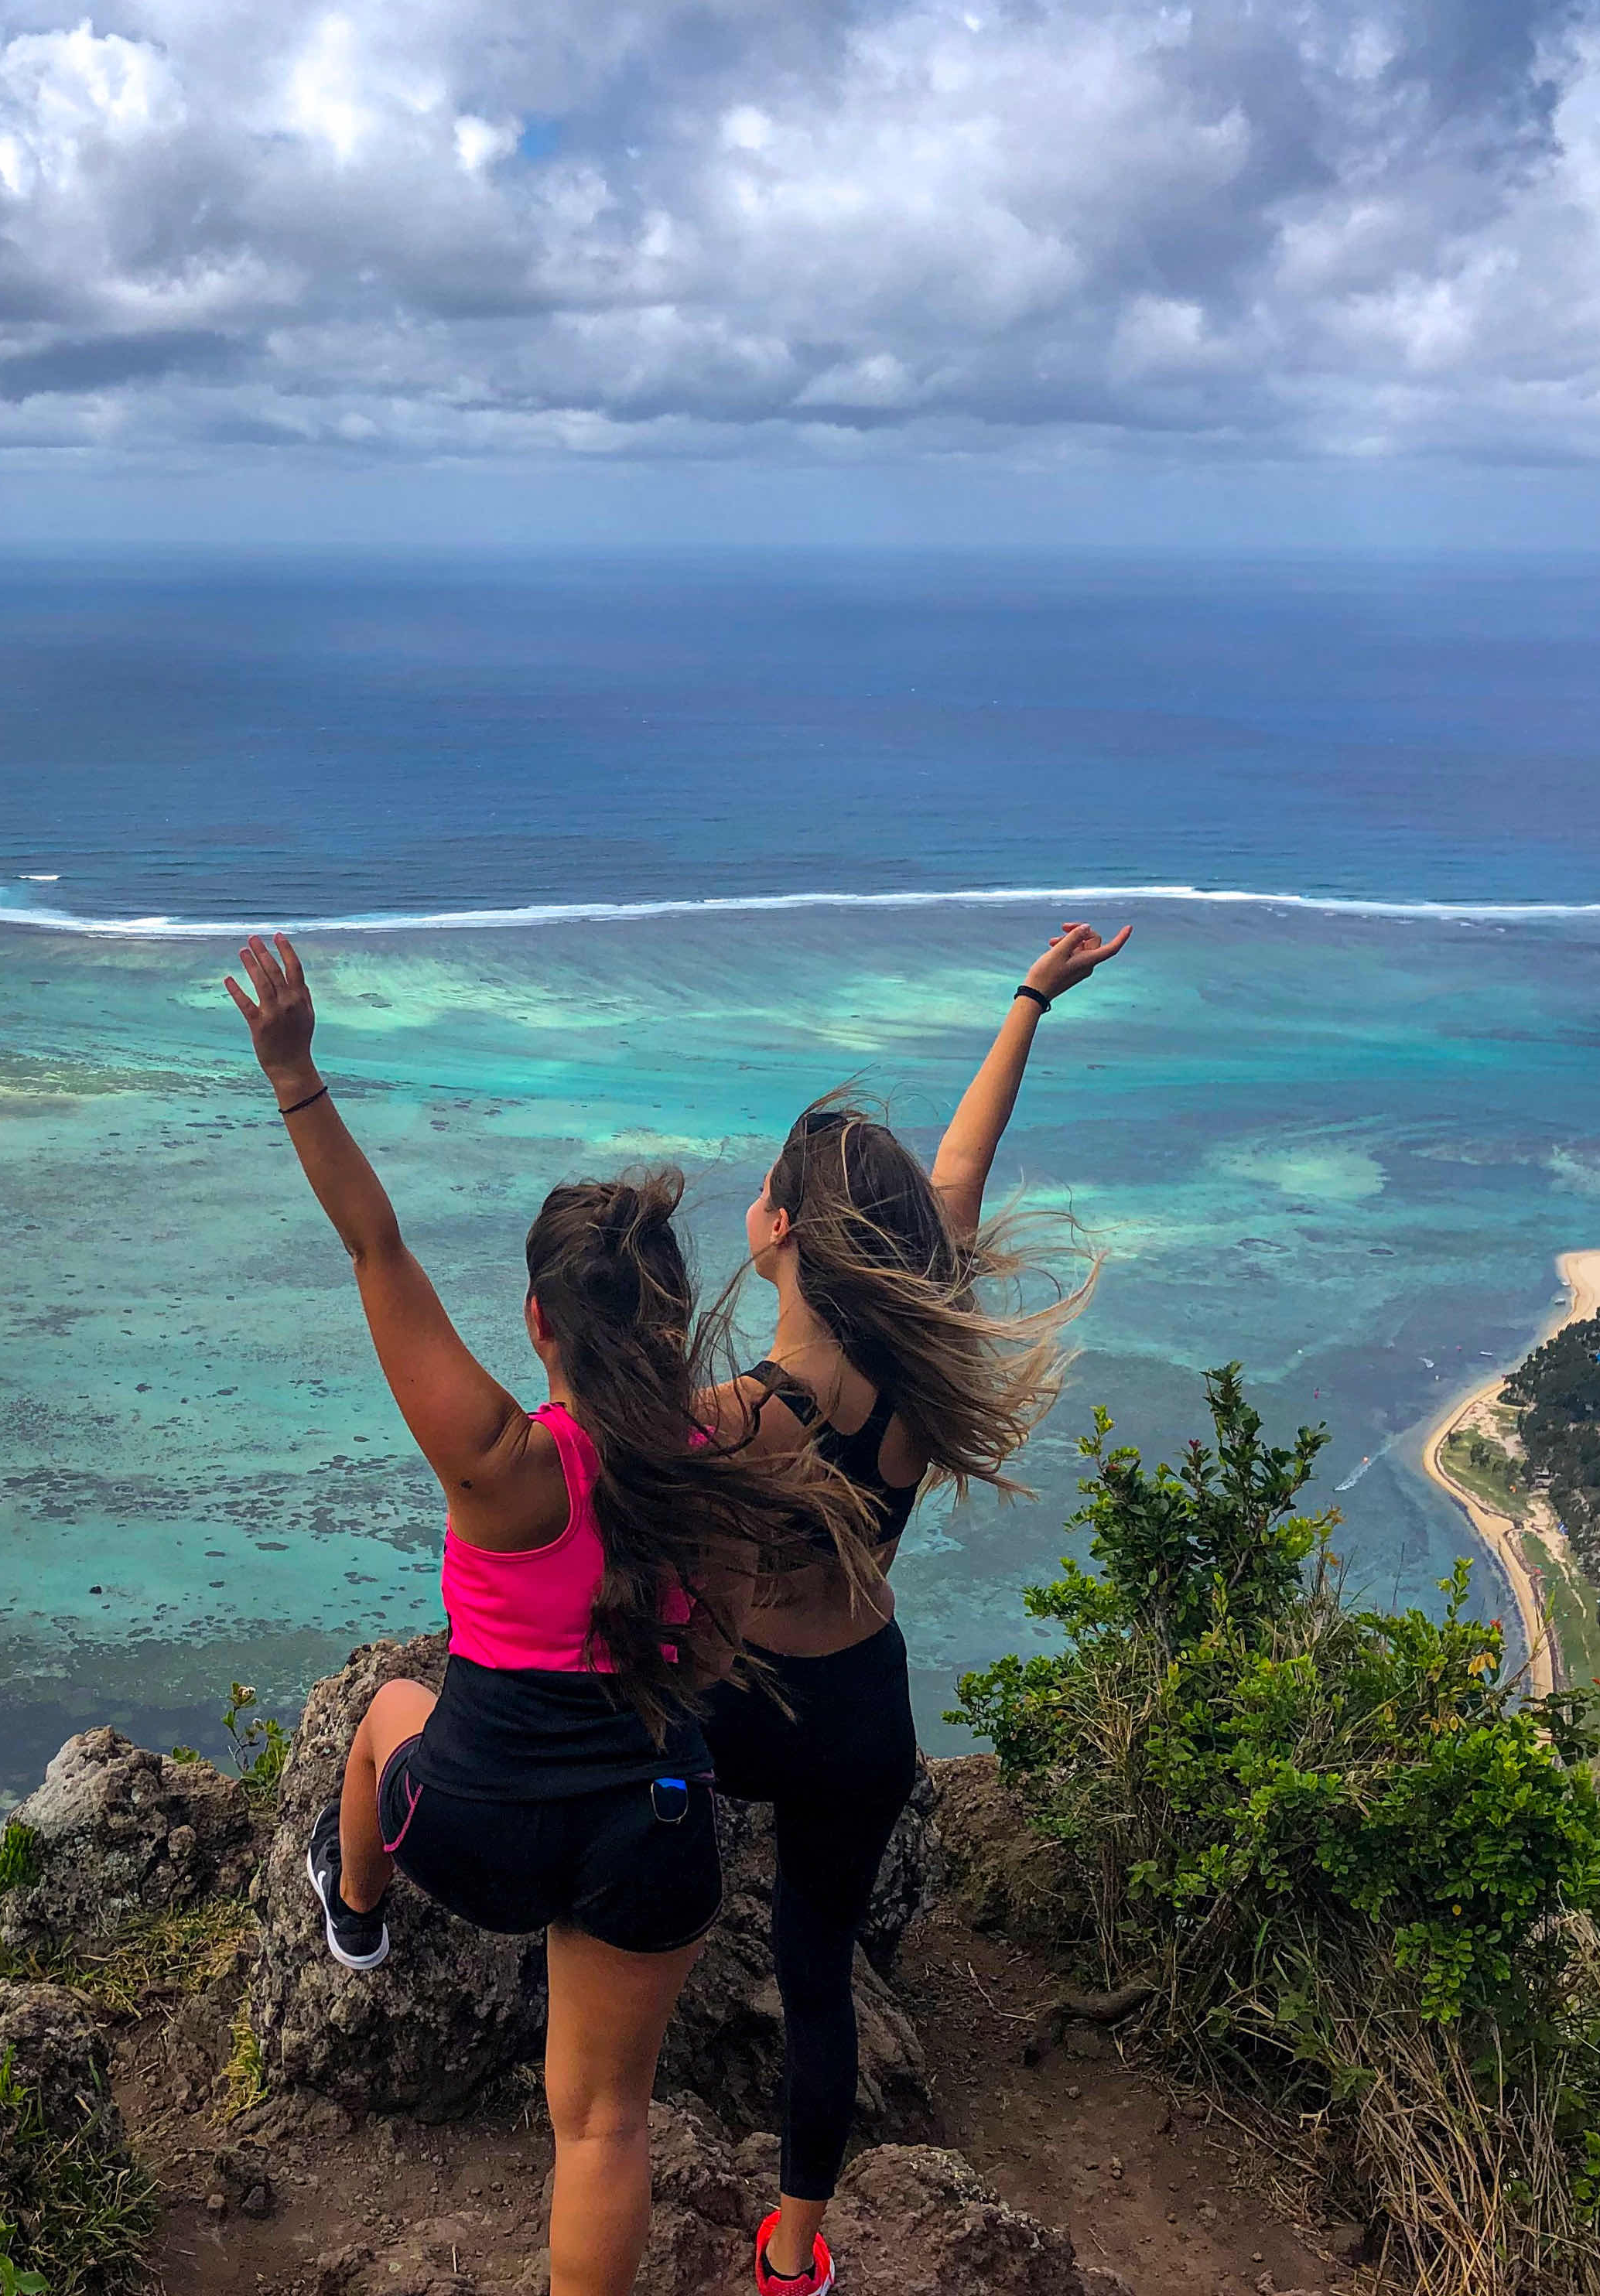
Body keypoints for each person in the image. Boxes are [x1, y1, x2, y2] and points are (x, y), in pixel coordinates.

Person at [222, 932, 860, 2296]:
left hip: (478, 1827)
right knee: (603, 2124)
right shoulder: (737, 1450)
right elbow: (809, 1392)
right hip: (649, 1834)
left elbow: (376, 1248)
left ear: (535, 1323)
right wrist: (819, 1242)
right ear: (676, 1321)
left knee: (383, 1715)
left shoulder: (503, 1466)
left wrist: (296, 1078)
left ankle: (357, 1913)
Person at [707, 921, 1126, 2296]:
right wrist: (1029, 1000)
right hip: (859, 1713)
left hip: (731, 1710)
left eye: (764, 1191)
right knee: (814, 1972)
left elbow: (570, 1456)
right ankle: (796, 2254)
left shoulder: (741, 1417)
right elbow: (962, 1164)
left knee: (624, 1786)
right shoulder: (912, 1346)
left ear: (780, 1230)